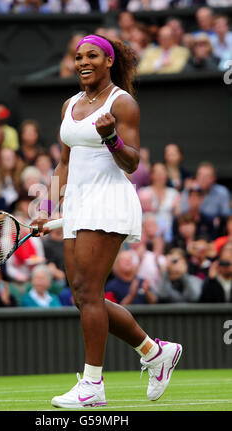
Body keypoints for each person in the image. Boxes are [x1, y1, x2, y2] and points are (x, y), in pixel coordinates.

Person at [32, 34, 182, 408]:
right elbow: (64, 163)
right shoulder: (70, 104)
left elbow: (132, 162)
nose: (84, 61)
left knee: (87, 291)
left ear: (108, 61)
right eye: (79, 56)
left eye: (93, 56)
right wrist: (45, 204)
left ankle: (93, 386)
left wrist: (111, 136)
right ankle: (153, 350)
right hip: (79, 205)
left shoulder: (123, 102)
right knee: (85, 297)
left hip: (110, 202)